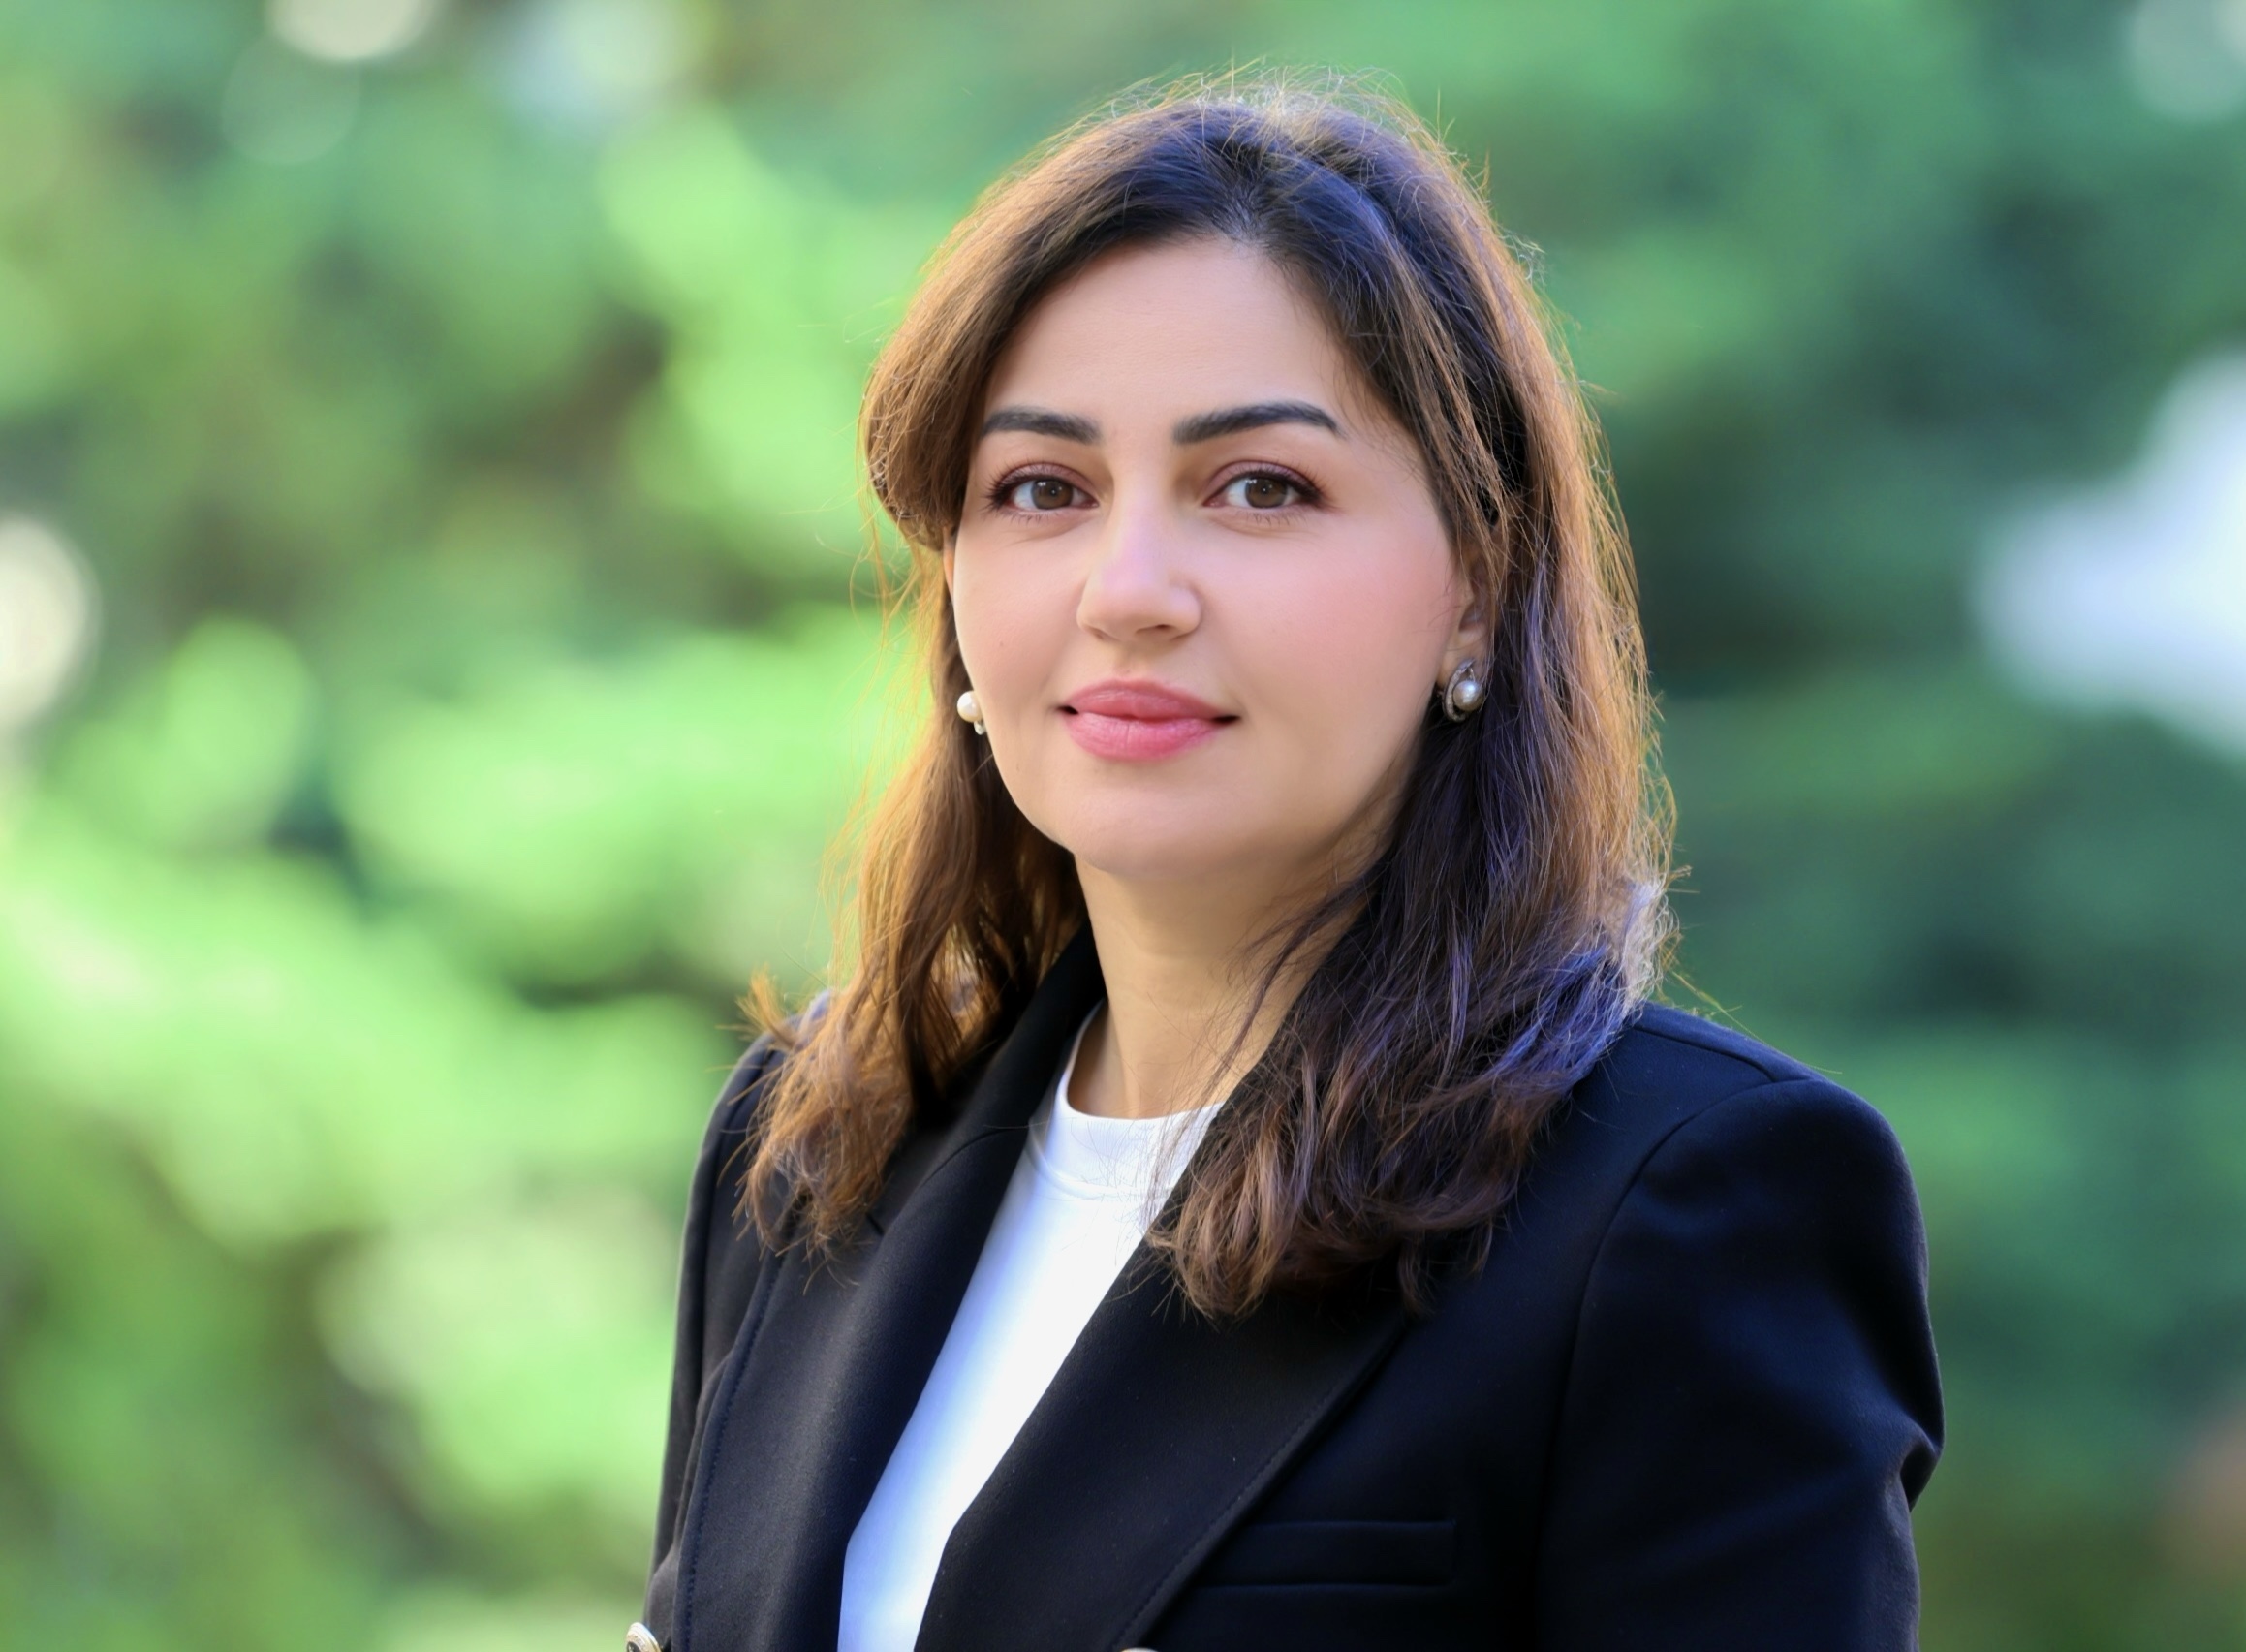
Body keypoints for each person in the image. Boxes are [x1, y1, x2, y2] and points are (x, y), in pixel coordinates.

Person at [631, 76, 1941, 1652]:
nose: (1129, 589)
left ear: (1476, 588)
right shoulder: (815, 1149)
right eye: (1043, 489)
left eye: (1262, 488)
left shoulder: (1683, 1210)